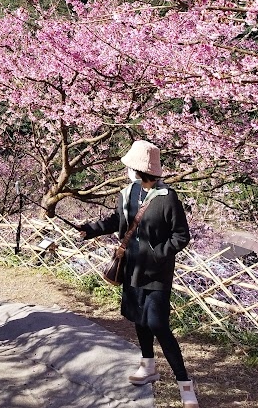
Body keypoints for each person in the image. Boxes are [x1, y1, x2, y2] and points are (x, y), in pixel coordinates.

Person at [79, 140, 199, 408]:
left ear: (140, 169)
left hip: (157, 274)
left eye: (130, 167)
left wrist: (157, 253)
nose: (127, 171)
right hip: (131, 268)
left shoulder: (168, 199)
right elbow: (116, 221)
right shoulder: (127, 193)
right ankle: (148, 367)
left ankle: (184, 384)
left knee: (158, 324)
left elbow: (181, 236)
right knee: (138, 319)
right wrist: (90, 229)